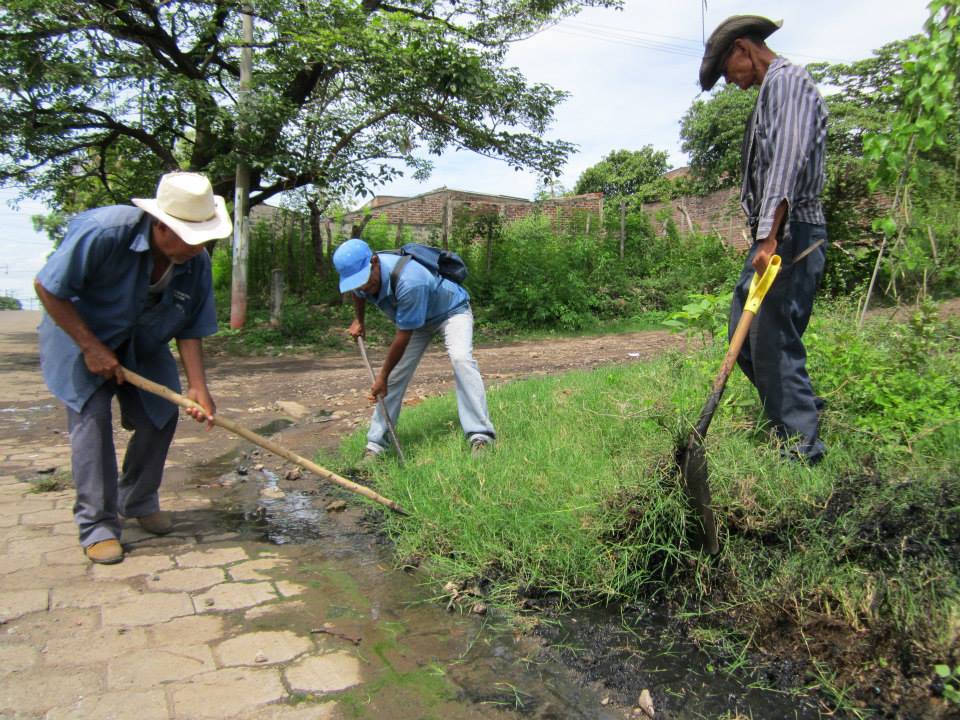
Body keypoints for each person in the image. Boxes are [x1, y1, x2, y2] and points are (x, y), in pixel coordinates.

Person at [34, 172, 232, 564]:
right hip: (80, 337)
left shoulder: (196, 263)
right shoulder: (105, 232)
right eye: (190, 237)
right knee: (92, 428)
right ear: (161, 224)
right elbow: (49, 287)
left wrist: (197, 386)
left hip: (143, 344)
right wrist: (91, 347)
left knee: (161, 416)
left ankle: (138, 500)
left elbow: (191, 327)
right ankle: (98, 527)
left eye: (204, 238)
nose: (198, 246)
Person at [699, 15, 829, 464]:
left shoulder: (788, 83)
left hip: (790, 236)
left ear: (742, 49)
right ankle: (803, 411)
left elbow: (786, 165)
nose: (731, 84)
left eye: (726, 72)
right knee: (745, 333)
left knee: (772, 342)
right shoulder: (769, 92)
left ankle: (802, 452)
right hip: (775, 235)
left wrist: (768, 237)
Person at [333, 238, 496, 458]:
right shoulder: (363, 277)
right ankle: (376, 445)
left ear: (374, 262)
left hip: (451, 311)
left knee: (461, 359)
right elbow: (358, 294)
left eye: (364, 281)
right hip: (419, 319)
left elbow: (402, 337)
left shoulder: (410, 281)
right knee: (394, 378)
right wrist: (359, 320)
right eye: (356, 283)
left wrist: (381, 376)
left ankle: (480, 436)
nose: (363, 287)